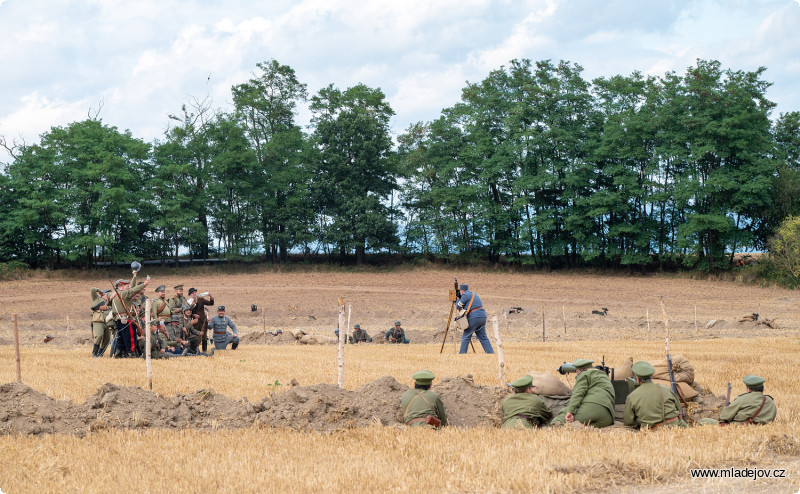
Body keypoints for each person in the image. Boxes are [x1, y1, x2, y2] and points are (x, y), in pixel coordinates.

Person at [551, 359, 615, 428]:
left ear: (579, 370)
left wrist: (570, 411)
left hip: (594, 407)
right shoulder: (603, 375)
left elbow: (578, 394)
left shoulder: (584, 374)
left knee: (556, 423)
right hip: (608, 417)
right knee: (585, 427)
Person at [624, 362, 687, 430]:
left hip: (655, 432)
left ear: (637, 380)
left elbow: (629, 422)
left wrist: (641, 424)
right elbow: (679, 410)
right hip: (679, 427)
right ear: (652, 376)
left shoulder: (632, 397)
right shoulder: (667, 389)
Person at [699, 375, 777, 426]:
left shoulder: (743, 399)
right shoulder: (770, 401)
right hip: (762, 430)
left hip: (739, 427)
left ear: (748, 389)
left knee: (703, 421)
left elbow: (724, 417)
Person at [111, 271, 150, 358]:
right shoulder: (124, 293)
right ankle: (131, 354)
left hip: (118, 319)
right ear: (122, 286)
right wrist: (144, 284)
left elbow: (131, 288)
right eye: (127, 286)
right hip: (126, 319)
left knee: (120, 338)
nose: (129, 287)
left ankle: (119, 354)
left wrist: (134, 276)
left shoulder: (114, 294)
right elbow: (133, 290)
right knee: (130, 337)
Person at [456, 283, 493, 354]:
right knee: (483, 337)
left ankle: (462, 354)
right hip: (482, 316)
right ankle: (490, 353)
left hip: (474, 317)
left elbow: (458, 306)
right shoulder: (473, 294)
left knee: (466, 336)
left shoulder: (465, 295)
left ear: (461, 291)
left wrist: (457, 299)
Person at [89, 287, 115, 357]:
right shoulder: (97, 299)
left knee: (107, 339)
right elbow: (92, 290)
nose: (110, 294)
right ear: (104, 294)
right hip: (98, 320)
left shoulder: (112, 302)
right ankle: (94, 353)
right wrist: (99, 291)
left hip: (108, 321)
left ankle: (100, 353)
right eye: (108, 293)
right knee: (99, 335)